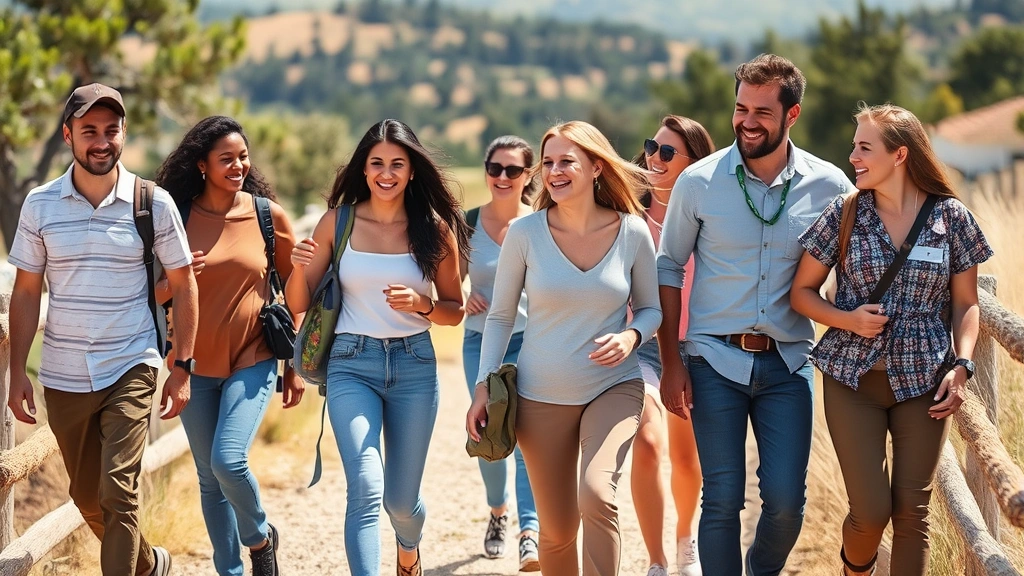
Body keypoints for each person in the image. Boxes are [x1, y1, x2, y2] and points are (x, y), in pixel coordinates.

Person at [656, 54, 855, 576]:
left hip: (789, 364)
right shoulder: (698, 182)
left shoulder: (831, 187)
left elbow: (853, 269)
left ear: (792, 115)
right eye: (740, 108)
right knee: (721, 498)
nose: (746, 121)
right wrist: (672, 362)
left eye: (762, 112)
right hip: (711, 360)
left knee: (787, 502)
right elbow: (670, 266)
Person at [791, 103, 993, 576]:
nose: (853, 156)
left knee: (912, 514)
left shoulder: (952, 218)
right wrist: (846, 318)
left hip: (925, 381)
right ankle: (854, 570)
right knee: (870, 512)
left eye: (864, 147)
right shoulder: (843, 214)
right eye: (854, 146)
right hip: (851, 380)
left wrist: (962, 366)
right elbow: (801, 293)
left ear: (900, 155)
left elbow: (967, 303)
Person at [6, 83, 197, 576]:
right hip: (64, 371)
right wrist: (16, 372)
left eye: (111, 130)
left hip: (130, 361)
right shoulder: (40, 205)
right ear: (68, 134)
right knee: (87, 496)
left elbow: (184, 281)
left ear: (123, 134)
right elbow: (27, 292)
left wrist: (182, 365)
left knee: (118, 490)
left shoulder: (152, 203)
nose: (101, 141)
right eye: (89, 130)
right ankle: (150, 563)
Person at [467, 120, 662, 576]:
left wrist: (632, 335)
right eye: (548, 162)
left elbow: (652, 310)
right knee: (556, 532)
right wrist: (482, 387)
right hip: (540, 394)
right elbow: (499, 317)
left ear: (596, 167)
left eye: (566, 161)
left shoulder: (633, 232)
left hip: (613, 386)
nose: (554, 171)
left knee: (596, 495)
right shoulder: (525, 233)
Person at [285, 119, 469, 576]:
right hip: (351, 363)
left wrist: (425, 305)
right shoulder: (338, 222)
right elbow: (299, 302)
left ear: (411, 171)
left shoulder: (434, 229)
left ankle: (409, 549)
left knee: (401, 503)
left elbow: (455, 309)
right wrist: (296, 267)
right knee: (365, 488)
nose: (386, 173)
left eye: (397, 164)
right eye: (376, 163)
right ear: (363, 169)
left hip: (414, 367)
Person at [154, 115, 303, 576]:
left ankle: (258, 539)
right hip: (191, 364)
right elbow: (150, 293)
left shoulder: (265, 215)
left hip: (252, 357)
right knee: (208, 480)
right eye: (226, 159)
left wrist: (294, 363)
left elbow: (296, 285)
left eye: (242, 156)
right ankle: (229, 571)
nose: (238, 165)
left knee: (227, 460)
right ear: (202, 164)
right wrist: (181, 280)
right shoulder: (176, 218)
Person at [630, 116, 715, 576]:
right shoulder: (627, 216)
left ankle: (686, 540)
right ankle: (657, 561)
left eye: (667, 152)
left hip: (694, 350)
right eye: (651, 147)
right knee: (646, 443)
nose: (653, 158)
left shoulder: (712, 219)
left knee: (687, 458)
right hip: (641, 346)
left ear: (694, 163)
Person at [460, 136, 540, 571]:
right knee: (488, 432)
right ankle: (497, 513)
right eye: (495, 168)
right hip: (480, 340)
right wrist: (466, 295)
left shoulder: (544, 222)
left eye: (513, 170)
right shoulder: (467, 222)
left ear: (528, 175)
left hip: (533, 340)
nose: (502, 177)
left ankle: (531, 531)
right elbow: (448, 287)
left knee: (528, 436)